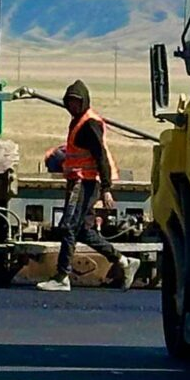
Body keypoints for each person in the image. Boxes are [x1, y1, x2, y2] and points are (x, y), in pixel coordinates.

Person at [36, 80, 141, 293]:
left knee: (68, 226)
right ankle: (123, 261)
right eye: (70, 102)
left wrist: (107, 188)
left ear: (84, 102)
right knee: (83, 230)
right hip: (79, 181)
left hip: (84, 183)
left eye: (77, 102)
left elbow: (101, 155)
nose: (73, 106)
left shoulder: (89, 124)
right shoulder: (78, 121)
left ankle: (62, 276)